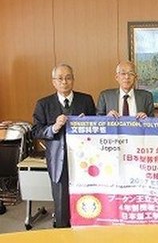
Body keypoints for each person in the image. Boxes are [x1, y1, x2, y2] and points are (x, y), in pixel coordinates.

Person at [32, 64, 96, 228]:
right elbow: (36, 131)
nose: (64, 82)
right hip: (57, 159)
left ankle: (85, 229)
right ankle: (61, 229)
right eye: (60, 78)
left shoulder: (86, 100)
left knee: (86, 195)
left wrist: (86, 123)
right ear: (53, 82)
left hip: (84, 159)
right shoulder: (43, 104)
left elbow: (97, 126)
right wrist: (54, 127)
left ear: (73, 80)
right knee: (60, 200)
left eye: (68, 77)